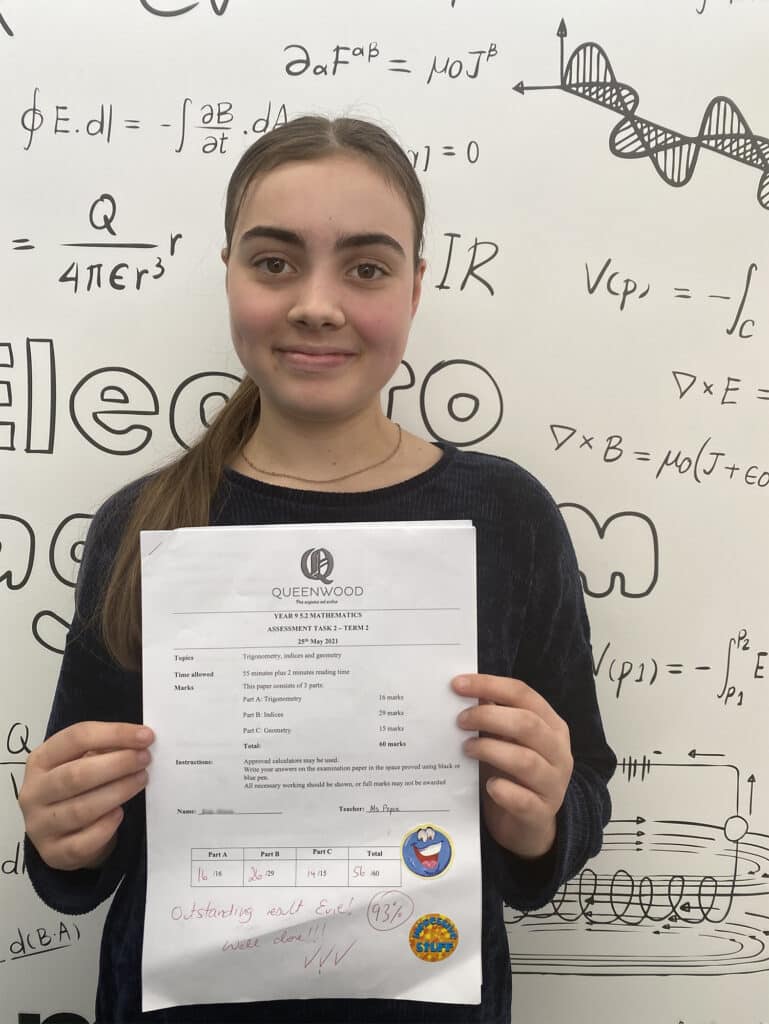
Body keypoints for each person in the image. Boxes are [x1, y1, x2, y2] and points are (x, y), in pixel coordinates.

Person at [19, 115, 616, 1024]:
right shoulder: (140, 526)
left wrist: (543, 819)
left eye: (366, 268)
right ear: (228, 272)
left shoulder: (507, 516)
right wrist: (64, 838)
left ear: (416, 287)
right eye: (274, 262)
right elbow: (81, 858)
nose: (317, 304)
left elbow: (582, 791)